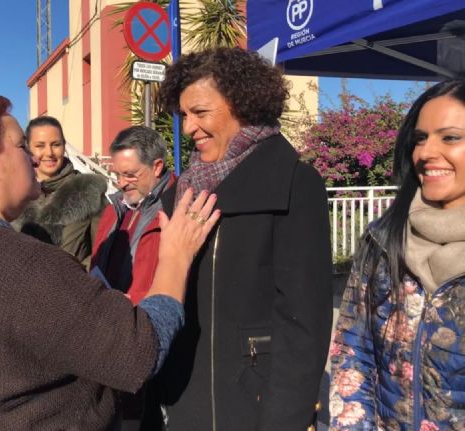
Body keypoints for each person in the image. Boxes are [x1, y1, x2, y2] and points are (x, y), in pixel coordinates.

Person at [0, 93, 220, 430]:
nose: (34, 158)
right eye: (21, 146)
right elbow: (139, 352)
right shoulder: (24, 263)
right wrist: (175, 257)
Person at [141, 47, 333, 431]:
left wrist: (283, 422)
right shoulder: (181, 194)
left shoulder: (294, 184)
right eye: (184, 115)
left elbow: (304, 326)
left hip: (253, 408)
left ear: (242, 105)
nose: (189, 128)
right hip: (181, 404)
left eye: (200, 112)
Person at [329, 80, 465, 430]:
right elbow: (353, 352)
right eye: (420, 138)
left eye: (450, 137)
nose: (425, 152)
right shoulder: (383, 239)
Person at [92, 125, 174, 306]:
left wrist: (134, 300)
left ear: (157, 167)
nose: (121, 183)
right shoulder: (112, 210)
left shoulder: (177, 210)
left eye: (129, 175)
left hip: (149, 317)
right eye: (117, 175)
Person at [13, 116, 106, 268]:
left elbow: (103, 251)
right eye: (40, 146)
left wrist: (78, 272)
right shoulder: (15, 193)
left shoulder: (88, 189)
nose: (49, 152)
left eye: (56, 145)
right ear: (28, 148)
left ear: (64, 146)